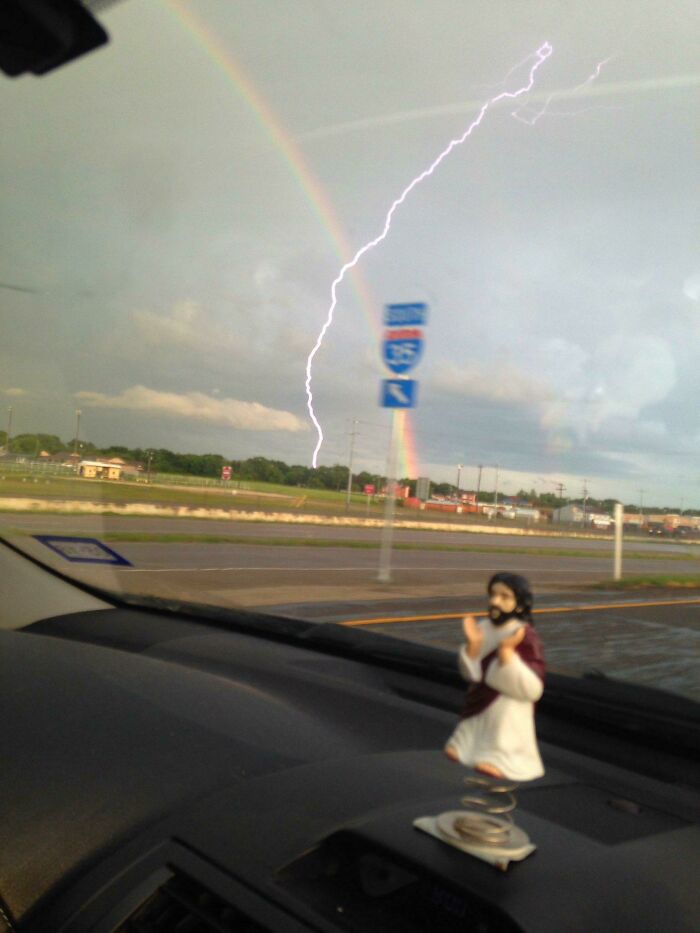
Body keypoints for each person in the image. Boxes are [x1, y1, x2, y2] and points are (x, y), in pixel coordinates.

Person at [444, 572, 545, 782]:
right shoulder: (483, 628)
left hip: (508, 701)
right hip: (479, 697)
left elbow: (533, 688)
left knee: (503, 723)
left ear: (519, 604)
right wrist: (473, 647)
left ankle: (499, 758)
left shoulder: (524, 635)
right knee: (472, 724)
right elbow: (471, 674)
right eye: (493, 594)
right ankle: (464, 747)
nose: (494, 601)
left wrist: (507, 653)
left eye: (504, 596)